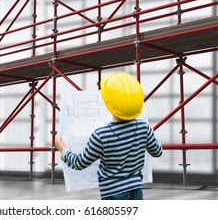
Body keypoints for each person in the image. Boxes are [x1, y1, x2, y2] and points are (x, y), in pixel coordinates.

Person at [55, 72, 163, 200]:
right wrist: (151, 134)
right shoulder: (144, 128)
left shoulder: (101, 135)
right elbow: (157, 152)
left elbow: (79, 163)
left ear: (108, 103)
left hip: (112, 194)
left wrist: (62, 149)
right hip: (136, 190)